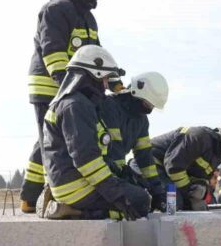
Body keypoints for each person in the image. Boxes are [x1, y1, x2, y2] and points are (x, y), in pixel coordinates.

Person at [39, 45, 151, 220]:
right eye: (105, 79)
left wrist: (120, 175)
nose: (106, 86)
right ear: (93, 76)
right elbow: (86, 159)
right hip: (76, 186)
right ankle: (74, 211)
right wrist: (117, 194)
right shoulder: (75, 106)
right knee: (140, 201)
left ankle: (98, 210)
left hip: (74, 181)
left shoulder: (78, 103)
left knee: (136, 189)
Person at [22, 0, 103, 213]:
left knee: (51, 140)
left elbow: (96, 53)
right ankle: (43, 195)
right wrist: (65, 83)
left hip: (73, 84)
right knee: (49, 141)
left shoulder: (87, 17)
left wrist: (110, 79)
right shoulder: (56, 9)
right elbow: (53, 49)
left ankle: (29, 195)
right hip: (49, 83)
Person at [98, 71, 169, 212]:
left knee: (142, 197)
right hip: (100, 172)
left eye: (151, 106)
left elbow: (145, 157)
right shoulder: (110, 106)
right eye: (147, 103)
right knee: (136, 199)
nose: (149, 109)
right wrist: (123, 176)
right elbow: (114, 149)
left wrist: (157, 190)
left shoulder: (142, 120)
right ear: (136, 93)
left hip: (116, 172)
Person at [151, 126, 221, 211]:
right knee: (173, 203)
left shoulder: (217, 157)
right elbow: (173, 167)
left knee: (187, 206)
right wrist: (190, 193)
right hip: (152, 164)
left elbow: (200, 177)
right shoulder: (199, 137)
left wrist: (201, 192)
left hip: (168, 174)